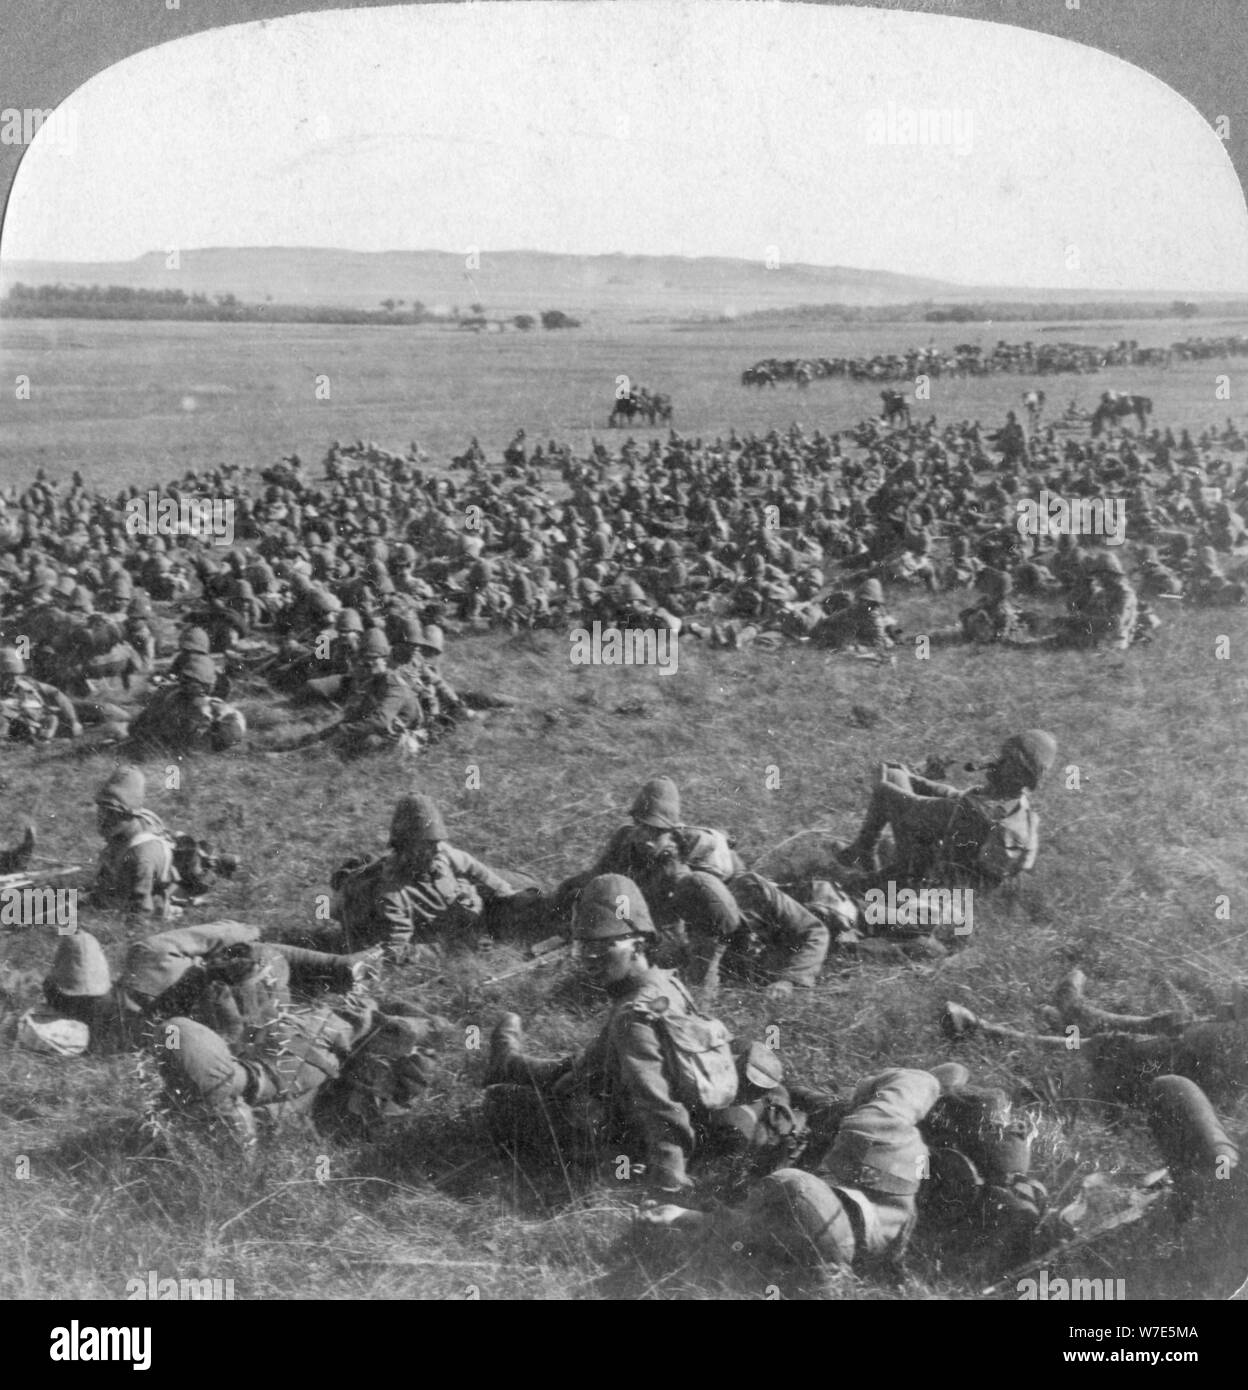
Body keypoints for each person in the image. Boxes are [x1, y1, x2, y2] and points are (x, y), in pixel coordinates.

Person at [639, 1061, 1044, 1282]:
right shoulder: (874, 1135)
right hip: (910, 1171)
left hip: (876, 1194)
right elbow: (913, 1084)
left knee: (818, 1108)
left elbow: (748, 1228)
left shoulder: (848, 1238)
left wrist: (685, 1215)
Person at [482, 873, 741, 1194]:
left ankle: (508, 1066)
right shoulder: (666, 982)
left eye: (605, 946)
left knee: (500, 1103)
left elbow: (657, 1103)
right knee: (576, 1067)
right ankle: (509, 1062)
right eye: (585, 947)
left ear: (638, 943)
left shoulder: (632, 1015)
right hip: (629, 1087)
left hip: (620, 1129)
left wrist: (668, 1180)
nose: (591, 960)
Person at [836, 730, 1057, 889]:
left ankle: (867, 857)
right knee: (897, 779)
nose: (995, 762)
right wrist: (914, 779)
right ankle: (861, 853)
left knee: (891, 786)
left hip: (932, 884)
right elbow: (956, 799)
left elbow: (915, 809)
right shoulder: (1015, 804)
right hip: (962, 883)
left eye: (1005, 759)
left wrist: (882, 785)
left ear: (1016, 771)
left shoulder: (978, 811)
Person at [330, 793, 521, 965]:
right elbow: (394, 953)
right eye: (425, 846)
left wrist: (515, 902)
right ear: (403, 846)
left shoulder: (441, 855)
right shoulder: (392, 893)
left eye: (435, 843)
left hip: (446, 919)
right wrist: (455, 947)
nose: (435, 851)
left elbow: (497, 885)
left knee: (529, 888)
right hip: (399, 925)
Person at [128, 653, 247, 753]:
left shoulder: (206, 707)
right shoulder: (175, 695)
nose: (189, 686)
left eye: (194, 683)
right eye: (188, 681)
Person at [0, 645, 81, 742]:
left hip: (43, 719)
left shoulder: (28, 683)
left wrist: (73, 721)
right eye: (8, 675)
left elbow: (56, 694)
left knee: (96, 711)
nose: (14, 679)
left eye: (16, 675)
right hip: (19, 727)